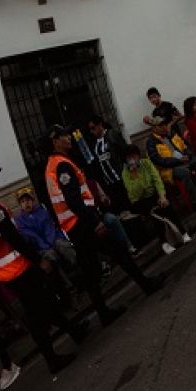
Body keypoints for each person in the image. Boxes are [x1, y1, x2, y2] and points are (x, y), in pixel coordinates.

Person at [45, 126, 163, 327]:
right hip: (83, 224)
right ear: (55, 140)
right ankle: (145, 285)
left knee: (90, 272)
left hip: (76, 227)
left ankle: (104, 313)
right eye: (64, 136)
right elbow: (73, 200)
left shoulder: (52, 164)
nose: (69, 138)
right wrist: (95, 221)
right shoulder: (62, 165)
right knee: (119, 252)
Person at [0, 198, 85, 375]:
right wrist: (38, 259)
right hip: (19, 270)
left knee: (46, 302)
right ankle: (52, 359)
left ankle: (73, 330)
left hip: (10, 273)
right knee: (37, 315)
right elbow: (13, 238)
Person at [123, 144, 191, 255]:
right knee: (154, 212)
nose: (132, 160)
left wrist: (162, 196)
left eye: (134, 156)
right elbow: (135, 192)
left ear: (138, 156)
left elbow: (157, 179)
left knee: (166, 206)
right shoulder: (125, 172)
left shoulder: (146, 163)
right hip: (139, 200)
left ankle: (182, 232)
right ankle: (164, 242)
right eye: (129, 157)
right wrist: (135, 175)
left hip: (153, 193)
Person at [146, 116, 196, 213]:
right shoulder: (151, 142)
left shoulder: (171, 134)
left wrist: (188, 154)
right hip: (170, 168)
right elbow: (157, 160)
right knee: (185, 173)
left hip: (184, 160)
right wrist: (177, 161)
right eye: (160, 126)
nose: (164, 127)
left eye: (164, 125)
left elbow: (185, 145)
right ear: (154, 128)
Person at [12, 186, 79, 287]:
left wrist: (51, 242)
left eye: (28, 200)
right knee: (50, 256)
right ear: (20, 205)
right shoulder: (20, 221)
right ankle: (68, 285)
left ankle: (79, 270)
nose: (26, 203)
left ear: (33, 201)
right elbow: (32, 236)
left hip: (53, 238)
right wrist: (45, 246)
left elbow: (49, 227)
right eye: (23, 201)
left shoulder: (41, 210)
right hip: (40, 247)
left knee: (64, 246)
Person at [87, 115, 129, 210]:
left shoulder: (112, 134)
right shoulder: (95, 143)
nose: (91, 131)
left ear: (100, 125)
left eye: (93, 128)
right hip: (109, 183)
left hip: (121, 178)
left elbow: (126, 152)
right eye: (90, 129)